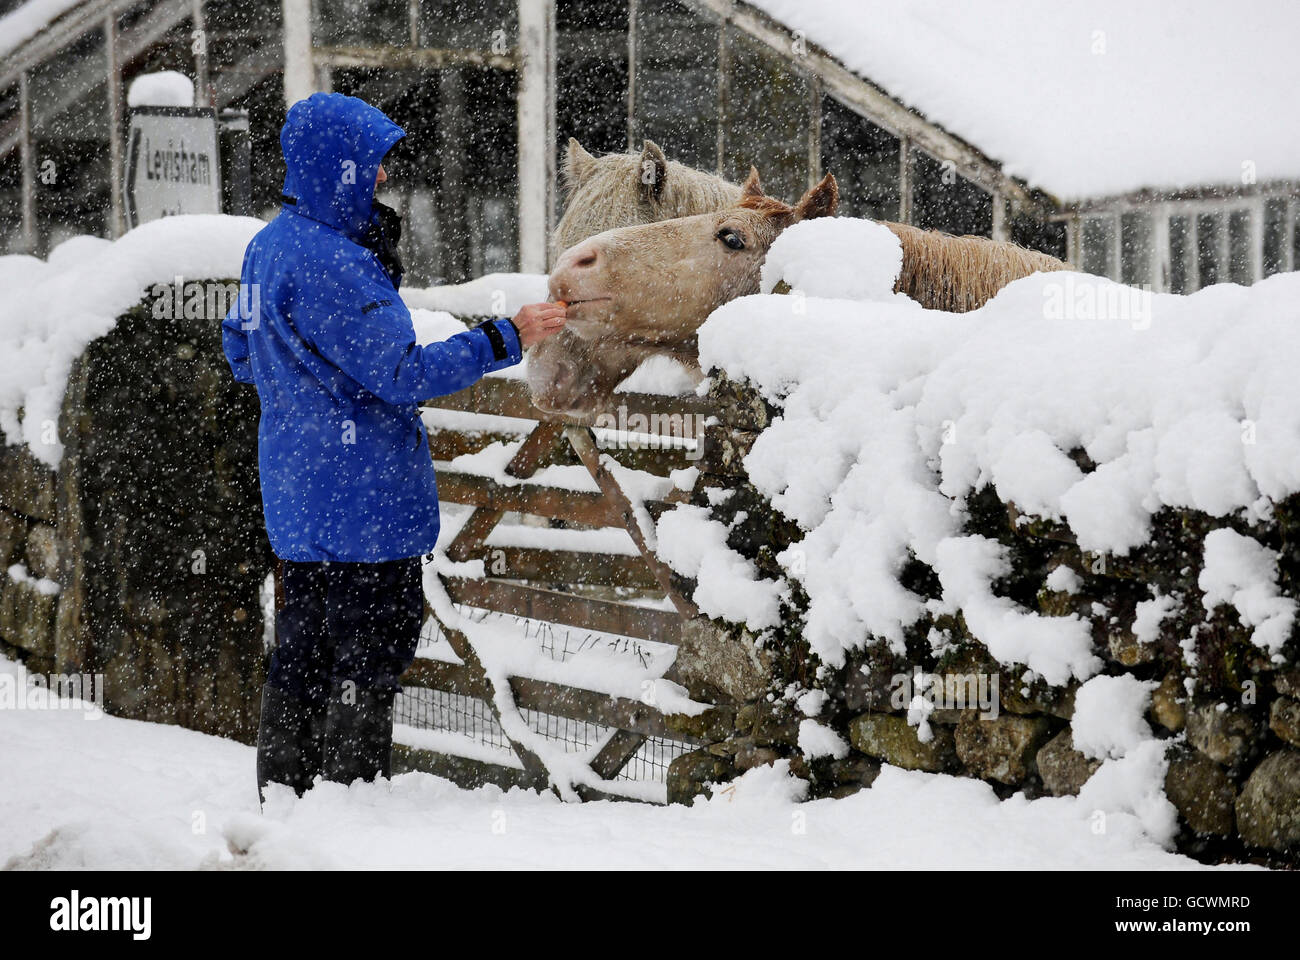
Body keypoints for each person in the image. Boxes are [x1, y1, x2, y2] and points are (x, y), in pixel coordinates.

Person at [221, 92, 566, 804]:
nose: (382, 178)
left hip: (298, 505)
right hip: (365, 511)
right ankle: (351, 805)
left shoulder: (270, 245)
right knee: (365, 666)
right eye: (371, 165)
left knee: (299, 661)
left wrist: (303, 398)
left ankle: (284, 798)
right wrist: (510, 335)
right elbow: (405, 372)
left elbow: (239, 349)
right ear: (338, 171)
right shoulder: (337, 264)